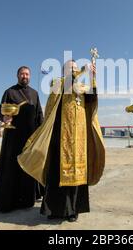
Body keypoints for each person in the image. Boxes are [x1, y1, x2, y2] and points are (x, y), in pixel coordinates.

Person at [18, 60, 105, 222]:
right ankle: (54, 209)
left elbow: (92, 99)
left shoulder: (82, 86)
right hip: (60, 137)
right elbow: (65, 85)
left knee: (77, 175)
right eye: (69, 68)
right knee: (57, 173)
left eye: (75, 68)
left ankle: (73, 210)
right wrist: (82, 72)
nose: (72, 70)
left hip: (79, 139)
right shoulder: (57, 83)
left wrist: (92, 77)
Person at [0, 66, 45, 212]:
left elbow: (39, 114)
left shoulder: (34, 93)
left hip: (30, 137)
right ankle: (9, 201)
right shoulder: (9, 92)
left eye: (27, 74)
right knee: (11, 167)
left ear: (30, 76)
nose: (24, 76)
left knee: (28, 167)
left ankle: (27, 199)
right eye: (22, 74)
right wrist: (4, 117)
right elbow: (0, 111)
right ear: (17, 76)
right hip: (13, 138)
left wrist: (41, 132)